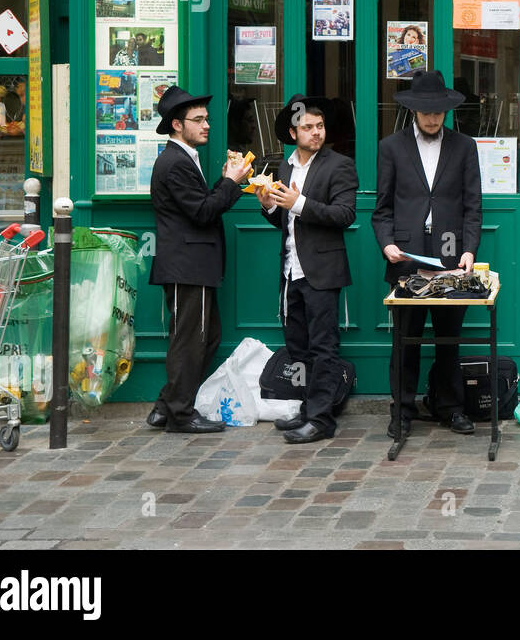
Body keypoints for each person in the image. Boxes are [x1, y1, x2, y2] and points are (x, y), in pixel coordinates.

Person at [372, 70, 483, 440]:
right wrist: (386, 243)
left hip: (451, 255)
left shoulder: (464, 146)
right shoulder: (391, 147)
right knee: (405, 340)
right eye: (426, 112)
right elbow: (382, 208)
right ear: (414, 111)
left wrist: (469, 249)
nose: (433, 118)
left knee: (449, 339)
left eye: (439, 113)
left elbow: (473, 206)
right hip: (407, 255)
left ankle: (450, 407)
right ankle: (401, 412)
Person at [255, 95, 358, 444]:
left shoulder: (338, 165)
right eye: (308, 127)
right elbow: (285, 221)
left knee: (323, 347)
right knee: (298, 346)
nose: (316, 133)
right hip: (290, 271)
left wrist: (299, 203)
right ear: (292, 132)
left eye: (320, 126)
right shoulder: (283, 168)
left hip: (322, 271)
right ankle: (308, 408)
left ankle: (321, 420)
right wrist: (270, 207)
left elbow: (345, 215)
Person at [145, 86, 249, 433]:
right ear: (177, 124)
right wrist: (231, 181)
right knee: (190, 340)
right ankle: (179, 413)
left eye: (207, 119)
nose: (207, 125)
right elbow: (203, 212)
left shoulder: (184, 157)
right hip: (187, 266)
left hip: (193, 264)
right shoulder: (174, 163)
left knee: (207, 336)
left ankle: (165, 405)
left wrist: (224, 181)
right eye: (199, 120)